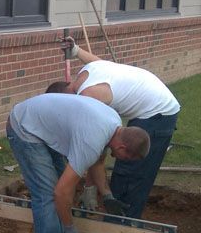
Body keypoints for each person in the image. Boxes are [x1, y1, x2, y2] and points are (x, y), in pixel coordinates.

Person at [7, 93, 150, 233]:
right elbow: (60, 193)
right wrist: (70, 228)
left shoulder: (114, 124)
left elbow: (98, 161)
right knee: (49, 196)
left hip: (41, 126)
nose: (120, 160)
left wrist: (107, 196)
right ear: (122, 147)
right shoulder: (92, 140)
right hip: (25, 128)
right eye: (126, 158)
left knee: (64, 190)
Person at [46, 38, 180, 222]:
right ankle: (119, 229)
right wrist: (76, 51)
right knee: (129, 171)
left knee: (129, 174)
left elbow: (95, 147)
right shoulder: (85, 74)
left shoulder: (89, 98)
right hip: (156, 105)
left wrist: (90, 189)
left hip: (157, 114)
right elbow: (98, 62)